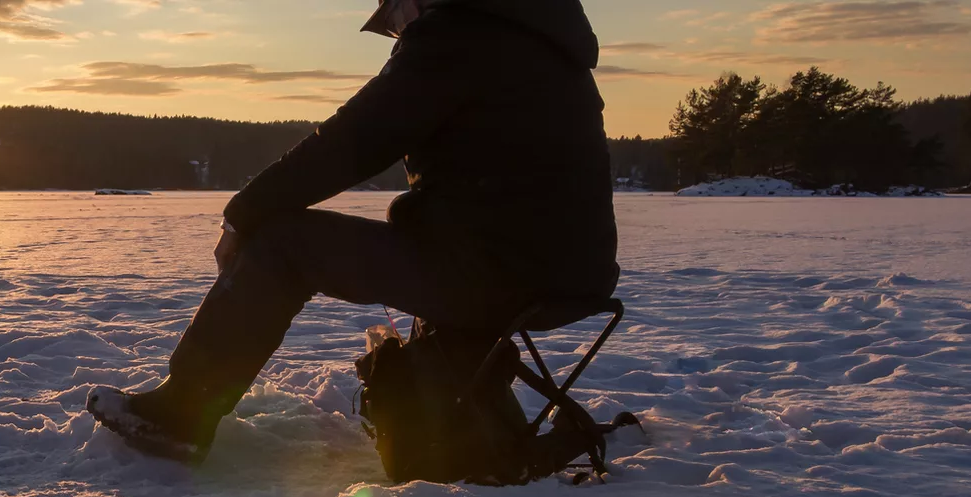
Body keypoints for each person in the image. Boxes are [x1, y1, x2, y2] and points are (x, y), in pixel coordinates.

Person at [87, 0, 620, 463]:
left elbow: (353, 141)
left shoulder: (459, 34)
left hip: (499, 274)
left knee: (284, 244)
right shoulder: (539, 40)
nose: (397, 35)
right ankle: (455, 424)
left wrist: (243, 214)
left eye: (392, 20)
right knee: (412, 255)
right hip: (569, 274)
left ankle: (180, 416)